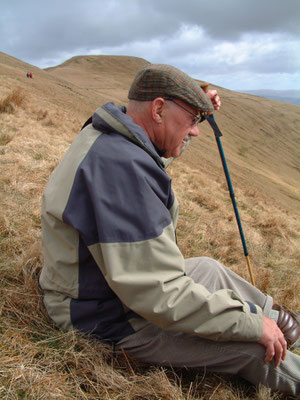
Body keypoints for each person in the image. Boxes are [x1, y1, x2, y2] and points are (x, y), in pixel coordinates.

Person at [40, 64, 300, 396]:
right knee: (252, 348)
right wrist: (249, 326)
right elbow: (160, 293)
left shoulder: (113, 136)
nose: (196, 132)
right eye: (192, 121)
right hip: (102, 315)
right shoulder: (121, 170)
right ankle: (274, 338)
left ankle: (284, 323)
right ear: (158, 109)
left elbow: (150, 156)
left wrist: (195, 105)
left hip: (105, 288)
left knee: (206, 267)